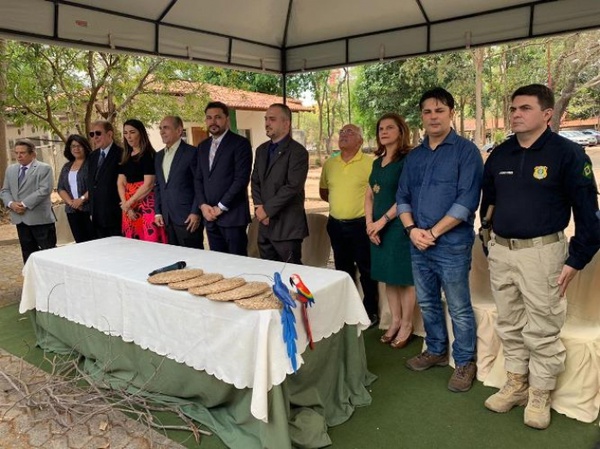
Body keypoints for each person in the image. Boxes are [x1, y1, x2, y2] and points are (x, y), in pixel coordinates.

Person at [480, 84, 600, 429]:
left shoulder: (568, 155)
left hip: (543, 254)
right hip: (503, 251)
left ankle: (540, 393)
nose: (515, 114)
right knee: (509, 322)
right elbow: (488, 204)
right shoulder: (500, 154)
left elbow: (589, 215)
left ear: (547, 114)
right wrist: (488, 242)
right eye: (513, 109)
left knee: (543, 327)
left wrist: (576, 259)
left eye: (525, 108)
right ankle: (517, 383)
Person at [396, 87, 483, 392]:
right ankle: (434, 350)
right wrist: (412, 231)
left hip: (452, 245)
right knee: (428, 302)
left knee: (458, 306)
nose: (433, 117)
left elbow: (467, 201)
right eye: (427, 111)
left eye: (440, 110)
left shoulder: (466, 152)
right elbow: (402, 196)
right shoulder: (415, 156)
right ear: (421, 116)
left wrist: (432, 233)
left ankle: (464, 362)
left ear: (452, 113)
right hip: (417, 243)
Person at [319, 124, 379, 326]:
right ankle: (346, 309)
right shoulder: (330, 164)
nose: (343, 135)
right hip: (336, 224)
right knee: (342, 270)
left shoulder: (370, 164)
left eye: (350, 132)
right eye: (342, 132)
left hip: (361, 225)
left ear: (361, 141)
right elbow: (324, 192)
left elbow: (376, 196)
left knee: (367, 271)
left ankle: (370, 311)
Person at [365, 114, 416, 346]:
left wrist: (381, 222)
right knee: (388, 278)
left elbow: (405, 197)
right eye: (380, 128)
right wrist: (369, 224)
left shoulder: (407, 160)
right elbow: (369, 195)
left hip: (397, 226)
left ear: (400, 131)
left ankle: (407, 324)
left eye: (389, 128)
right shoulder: (376, 162)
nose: (384, 132)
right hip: (376, 228)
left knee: (403, 279)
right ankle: (394, 321)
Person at [251, 103, 308, 264]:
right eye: (266, 119)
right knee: (269, 275)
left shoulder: (298, 152)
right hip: (265, 227)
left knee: (291, 277)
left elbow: (292, 187)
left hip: (287, 228)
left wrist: (267, 211)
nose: (267, 123)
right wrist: (259, 208)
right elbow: (255, 181)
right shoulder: (261, 150)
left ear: (286, 123)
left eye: (272, 119)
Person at [196, 102, 252, 255]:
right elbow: (199, 179)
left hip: (232, 217)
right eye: (209, 118)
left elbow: (241, 180)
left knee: (237, 265)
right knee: (218, 264)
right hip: (209, 217)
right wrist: (202, 206)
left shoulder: (240, 144)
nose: (213, 122)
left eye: (218, 117)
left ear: (227, 119)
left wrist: (220, 207)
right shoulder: (202, 146)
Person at [1, 139, 56, 263]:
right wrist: (11, 204)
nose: (19, 156)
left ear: (33, 154)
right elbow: (5, 191)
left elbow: (44, 190)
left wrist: (23, 204)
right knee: (28, 255)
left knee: (48, 254)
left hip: (40, 220)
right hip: (20, 220)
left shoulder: (44, 168)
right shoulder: (11, 170)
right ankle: (31, 281)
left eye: (22, 153)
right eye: (16, 153)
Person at [154, 116, 203, 248]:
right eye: (160, 128)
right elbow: (158, 186)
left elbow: (199, 185)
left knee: (194, 258)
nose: (162, 132)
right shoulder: (158, 156)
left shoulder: (192, 152)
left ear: (179, 130)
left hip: (188, 218)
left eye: (166, 128)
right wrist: (158, 212)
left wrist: (195, 212)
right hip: (166, 218)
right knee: (175, 260)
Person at [117, 119, 166, 243]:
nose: (128, 136)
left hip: (145, 203)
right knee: (132, 243)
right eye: (125, 133)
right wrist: (126, 206)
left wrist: (129, 204)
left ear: (141, 133)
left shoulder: (148, 155)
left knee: (148, 240)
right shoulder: (126, 155)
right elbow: (121, 182)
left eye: (132, 132)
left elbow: (148, 184)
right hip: (128, 205)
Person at [87, 120, 123, 238]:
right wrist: (92, 211)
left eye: (98, 133)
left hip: (115, 215)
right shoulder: (93, 156)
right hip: (97, 216)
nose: (95, 137)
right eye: (92, 134)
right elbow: (92, 185)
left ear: (109, 134)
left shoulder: (121, 154)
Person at [56, 134, 95, 243]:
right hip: (72, 211)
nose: (76, 149)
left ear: (85, 147)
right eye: (73, 146)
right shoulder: (67, 166)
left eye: (79, 146)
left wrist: (81, 199)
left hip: (88, 209)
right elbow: (61, 188)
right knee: (80, 242)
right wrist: (71, 202)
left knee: (94, 242)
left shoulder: (92, 164)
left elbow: (95, 186)